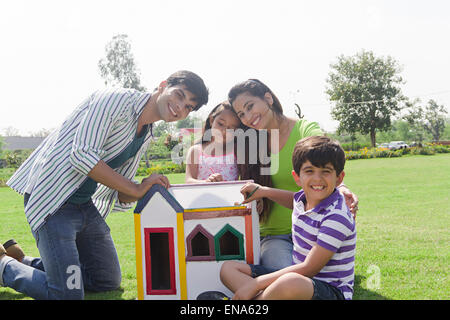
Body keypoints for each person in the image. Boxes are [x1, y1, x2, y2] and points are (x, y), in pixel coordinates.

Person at [0, 70, 209, 300]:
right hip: (53, 200)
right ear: (162, 85)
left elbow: (121, 194)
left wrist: (148, 188)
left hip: (84, 206)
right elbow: (81, 155)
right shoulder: (115, 99)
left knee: (106, 279)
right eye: (179, 95)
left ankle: (23, 261)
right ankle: (3, 265)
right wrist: (136, 188)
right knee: (67, 295)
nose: (180, 107)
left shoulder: (146, 133)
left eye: (189, 106)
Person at [228, 79, 359, 270]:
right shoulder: (251, 145)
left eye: (250, 106)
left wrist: (342, 187)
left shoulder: (303, 129)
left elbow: (327, 155)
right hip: (275, 236)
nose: (248, 117)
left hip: (314, 231)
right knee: (288, 276)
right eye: (242, 114)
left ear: (268, 98)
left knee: (307, 276)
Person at [217, 135, 356, 300]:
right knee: (229, 269)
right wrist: (263, 191)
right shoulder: (303, 199)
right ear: (297, 177)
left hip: (330, 292)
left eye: (325, 171)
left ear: (339, 178)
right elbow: (291, 199)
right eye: (309, 171)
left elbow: (309, 268)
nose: (317, 178)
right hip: (299, 281)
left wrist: (255, 284)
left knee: (290, 282)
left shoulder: (337, 216)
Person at [185, 101, 243, 183]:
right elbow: (188, 180)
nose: (224, 131)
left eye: (231, 129)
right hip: (204, 195)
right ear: (212, 120)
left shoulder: (237, 151)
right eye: (220, 124)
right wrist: (207, 182)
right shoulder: (196, 151)